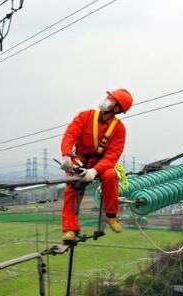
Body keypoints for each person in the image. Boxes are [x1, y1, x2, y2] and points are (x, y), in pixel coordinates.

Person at [60, 89, 133, 241]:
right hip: (80, 159)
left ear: (117, 108)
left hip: (102, 162)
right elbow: (70, 134)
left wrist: (95, 170)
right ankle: (70, 228)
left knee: (111, 176)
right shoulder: (85, 116)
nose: (106, 100)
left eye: (110, 99)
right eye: (108, 97)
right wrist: (66, 154)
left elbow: (113, 155)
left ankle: (111, 215)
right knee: (72, 187)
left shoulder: (119, 129)